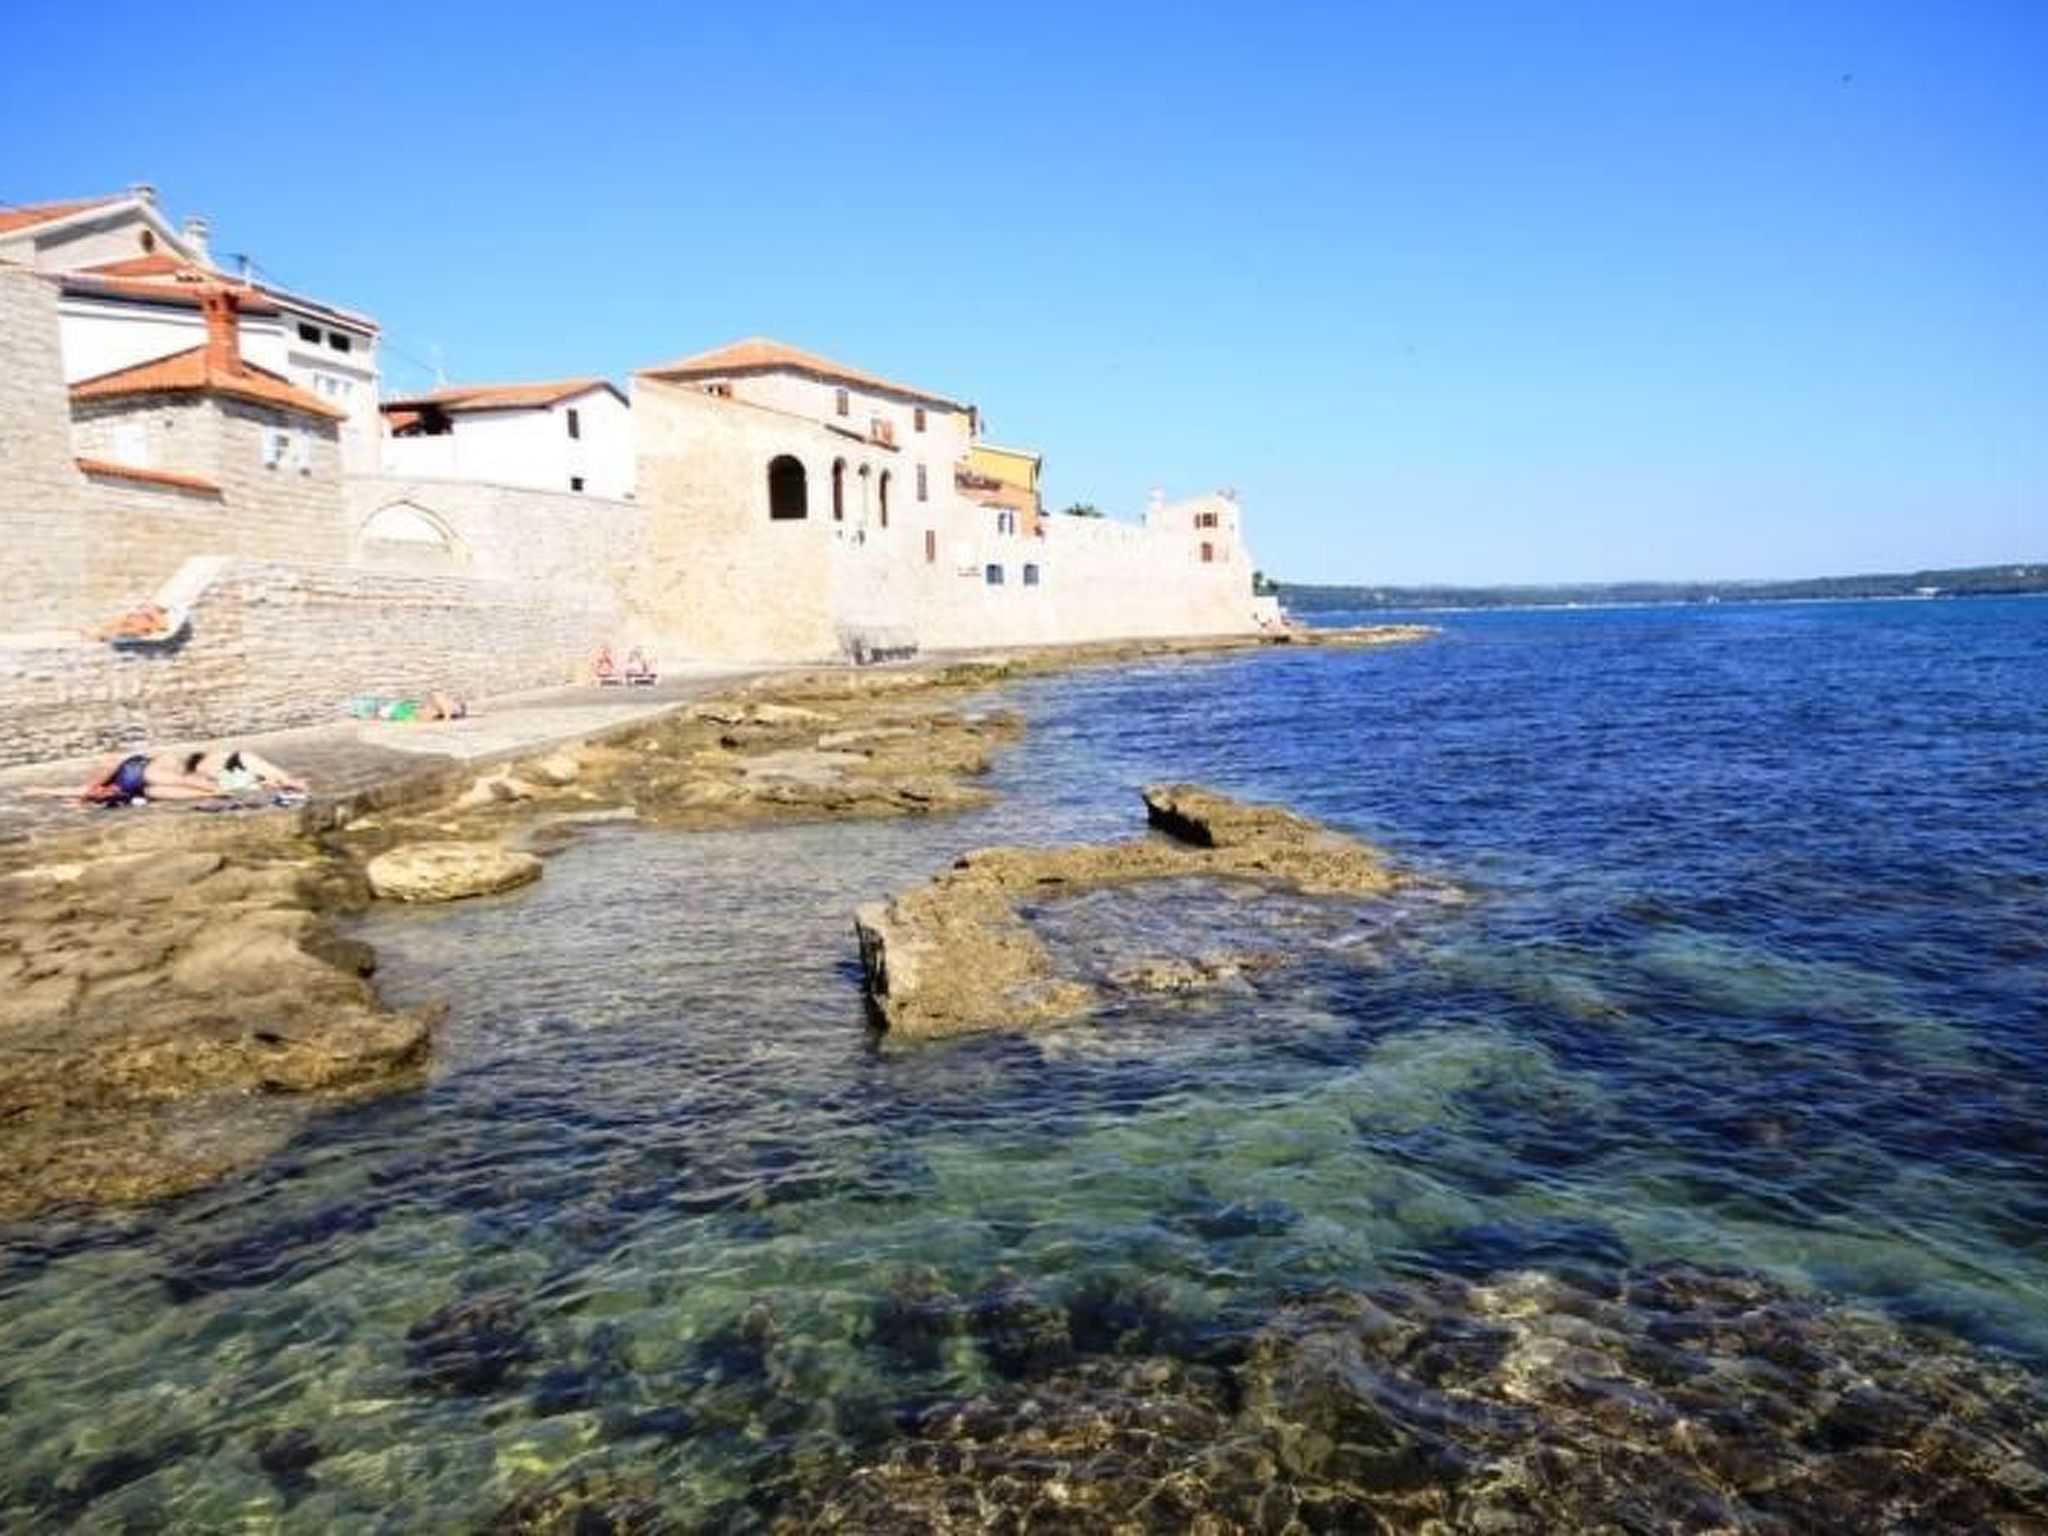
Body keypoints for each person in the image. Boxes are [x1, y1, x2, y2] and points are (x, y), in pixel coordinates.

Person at [20, 752, 228, 806]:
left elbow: (110, 762)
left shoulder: (106, 776)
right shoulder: (121, 793)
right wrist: (42, 791)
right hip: (142, 787)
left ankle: (213, 787)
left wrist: (93, 788)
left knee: (159, 777)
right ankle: (215, 792)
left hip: (145, 768)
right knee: (156, 791)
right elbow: (71, 792)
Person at [181, 747, 308, 796]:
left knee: (263, 780)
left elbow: (214, 779)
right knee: (271, 774)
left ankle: (284, 782)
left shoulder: (202, 765)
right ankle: (286, 781)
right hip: (237, 760)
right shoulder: (214, 756)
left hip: (232, 767)